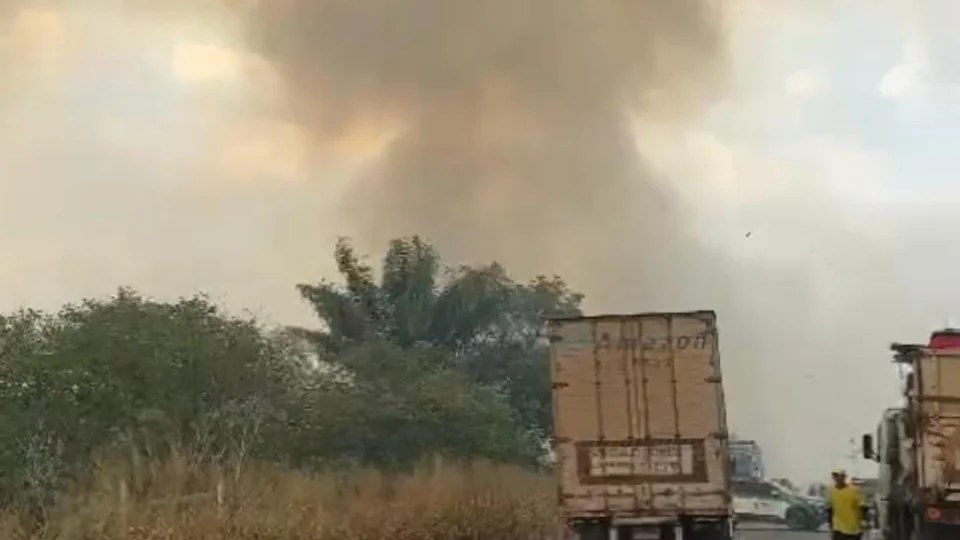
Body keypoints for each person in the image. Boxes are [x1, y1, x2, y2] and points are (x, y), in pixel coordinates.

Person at [827, 467, 863, 540]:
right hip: (837, 528)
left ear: (844, 477)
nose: (837, 478)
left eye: (839, 475)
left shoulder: (854, 490)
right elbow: (830, 508)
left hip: (852, 528)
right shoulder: (831, 490)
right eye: (835, 476)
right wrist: (830, 523)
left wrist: (864, 521)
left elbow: (862, 507)